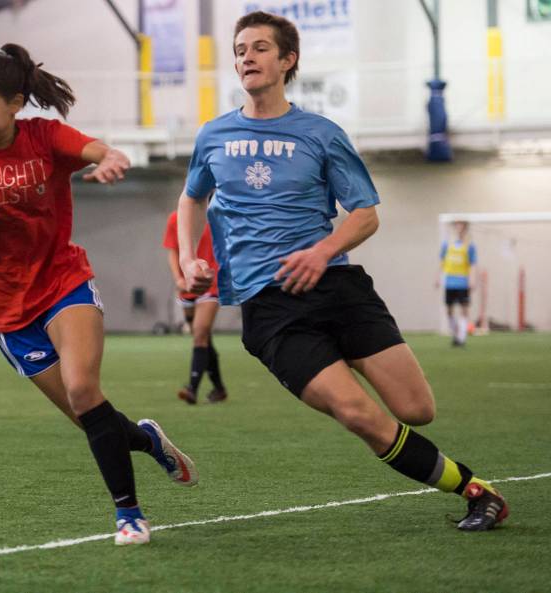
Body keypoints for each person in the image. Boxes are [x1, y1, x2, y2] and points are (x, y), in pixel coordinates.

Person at [176, 11, 508, 531]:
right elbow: (191, 199)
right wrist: (187, 259)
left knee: (416, 408)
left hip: (338, 288)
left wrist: (321, 250)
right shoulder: (213, 135)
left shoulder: (321, 134)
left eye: (260, 48)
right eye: (240, 49)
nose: (247, 57)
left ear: (287, 61)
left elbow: (366, 214)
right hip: (272, 311)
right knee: (360, 416)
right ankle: (475, 490)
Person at [0, 43, 198, 546]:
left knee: (84, 389)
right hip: (6, 310)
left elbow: (101, 149)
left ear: (16, 102)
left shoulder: (45, 137)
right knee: (90, 416)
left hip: (63, 282)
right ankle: (149, 441)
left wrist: (111, 160)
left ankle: (129, 515)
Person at [162, 211, 228, 404]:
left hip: (212, 283)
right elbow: (172, 250)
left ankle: (192, 388)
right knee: (203, 337)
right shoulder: (175, 218)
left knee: (200, 333)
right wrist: (178, 279)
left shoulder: (219, 215)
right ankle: (219, 388)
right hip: (188, 285)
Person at [439, 221, 476, 347]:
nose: (459, 229)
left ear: (465, 229)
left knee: (464, 309)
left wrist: (472, 279)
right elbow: (442, 262)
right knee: (449, 311)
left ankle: (462, 338)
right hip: (449, 282)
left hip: (463, 282)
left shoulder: (469, 246)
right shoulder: (447, 245)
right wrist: (438, 278)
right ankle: (455, 334)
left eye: (462, 226)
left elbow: (472, 264)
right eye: (457, 226)